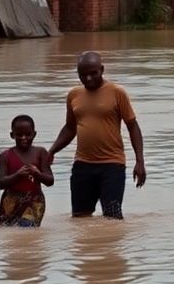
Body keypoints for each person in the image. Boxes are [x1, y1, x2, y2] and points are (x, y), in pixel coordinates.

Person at [49, 52, 146, 219]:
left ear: (102, 70)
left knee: (112, 218)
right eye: (83, 74)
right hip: (82, 165)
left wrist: (140, 161)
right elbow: (70, 128)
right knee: (80, 218)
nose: (88, 78)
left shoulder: (117, 92)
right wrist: (50, 152)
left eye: (93, 73)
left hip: (112, 164)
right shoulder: (74, 95)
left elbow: (132, 126)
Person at [0, 115, 54, 227]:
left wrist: (37, 173)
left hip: (34, 201)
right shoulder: (5, 155)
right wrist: (17, 175)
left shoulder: (40, 153)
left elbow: (50, 181)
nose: (24, 138)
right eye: (19, 135)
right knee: (8, 232)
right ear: (12, 135)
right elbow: (0, 183)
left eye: (28, 134)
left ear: (34, 134)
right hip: (11, 201)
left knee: (27, 228)